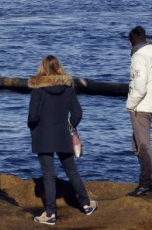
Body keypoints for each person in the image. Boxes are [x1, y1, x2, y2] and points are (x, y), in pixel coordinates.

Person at [28, 55, 97, 225]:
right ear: (59, 68)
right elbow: (77, 113)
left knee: (48, 175)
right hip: (63, 134)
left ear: (42, 69)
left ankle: (51, 214)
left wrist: (35, 128)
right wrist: (69, 126)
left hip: (43, 137)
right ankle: (86, 204)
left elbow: (32, 117)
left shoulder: (38, 90)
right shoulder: (68, 89)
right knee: (71, 171)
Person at [126, 25, 152, 197]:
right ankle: (148, 179)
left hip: (141, 106)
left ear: (131, 43)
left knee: (142, 146)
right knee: (138, 143)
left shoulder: (138, 57)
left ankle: (146, 183)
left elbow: (140, 85)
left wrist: (131, 103)